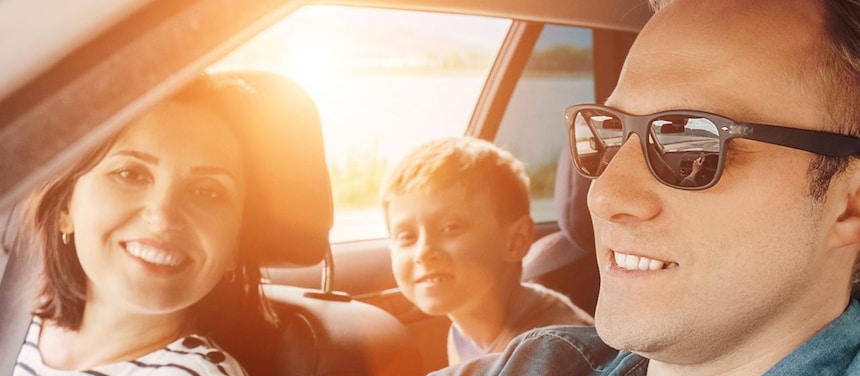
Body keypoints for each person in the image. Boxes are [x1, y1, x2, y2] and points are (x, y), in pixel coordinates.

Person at [431, 0, 860, 374]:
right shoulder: (536, 363)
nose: (603, 197)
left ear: (850, 204)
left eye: (691, 144)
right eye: (607, 131)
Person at [13, 73, 283, 375]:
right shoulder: (17, 321)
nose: (163, 217)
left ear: (236, 243)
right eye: (130, 174)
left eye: (207, 192)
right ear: (65, 208)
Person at [379, 137, 593, 366]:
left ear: (515, 241)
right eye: (406, 236)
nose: (422, 252)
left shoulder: (554, 351)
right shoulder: (461, 334)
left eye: (450, 228)